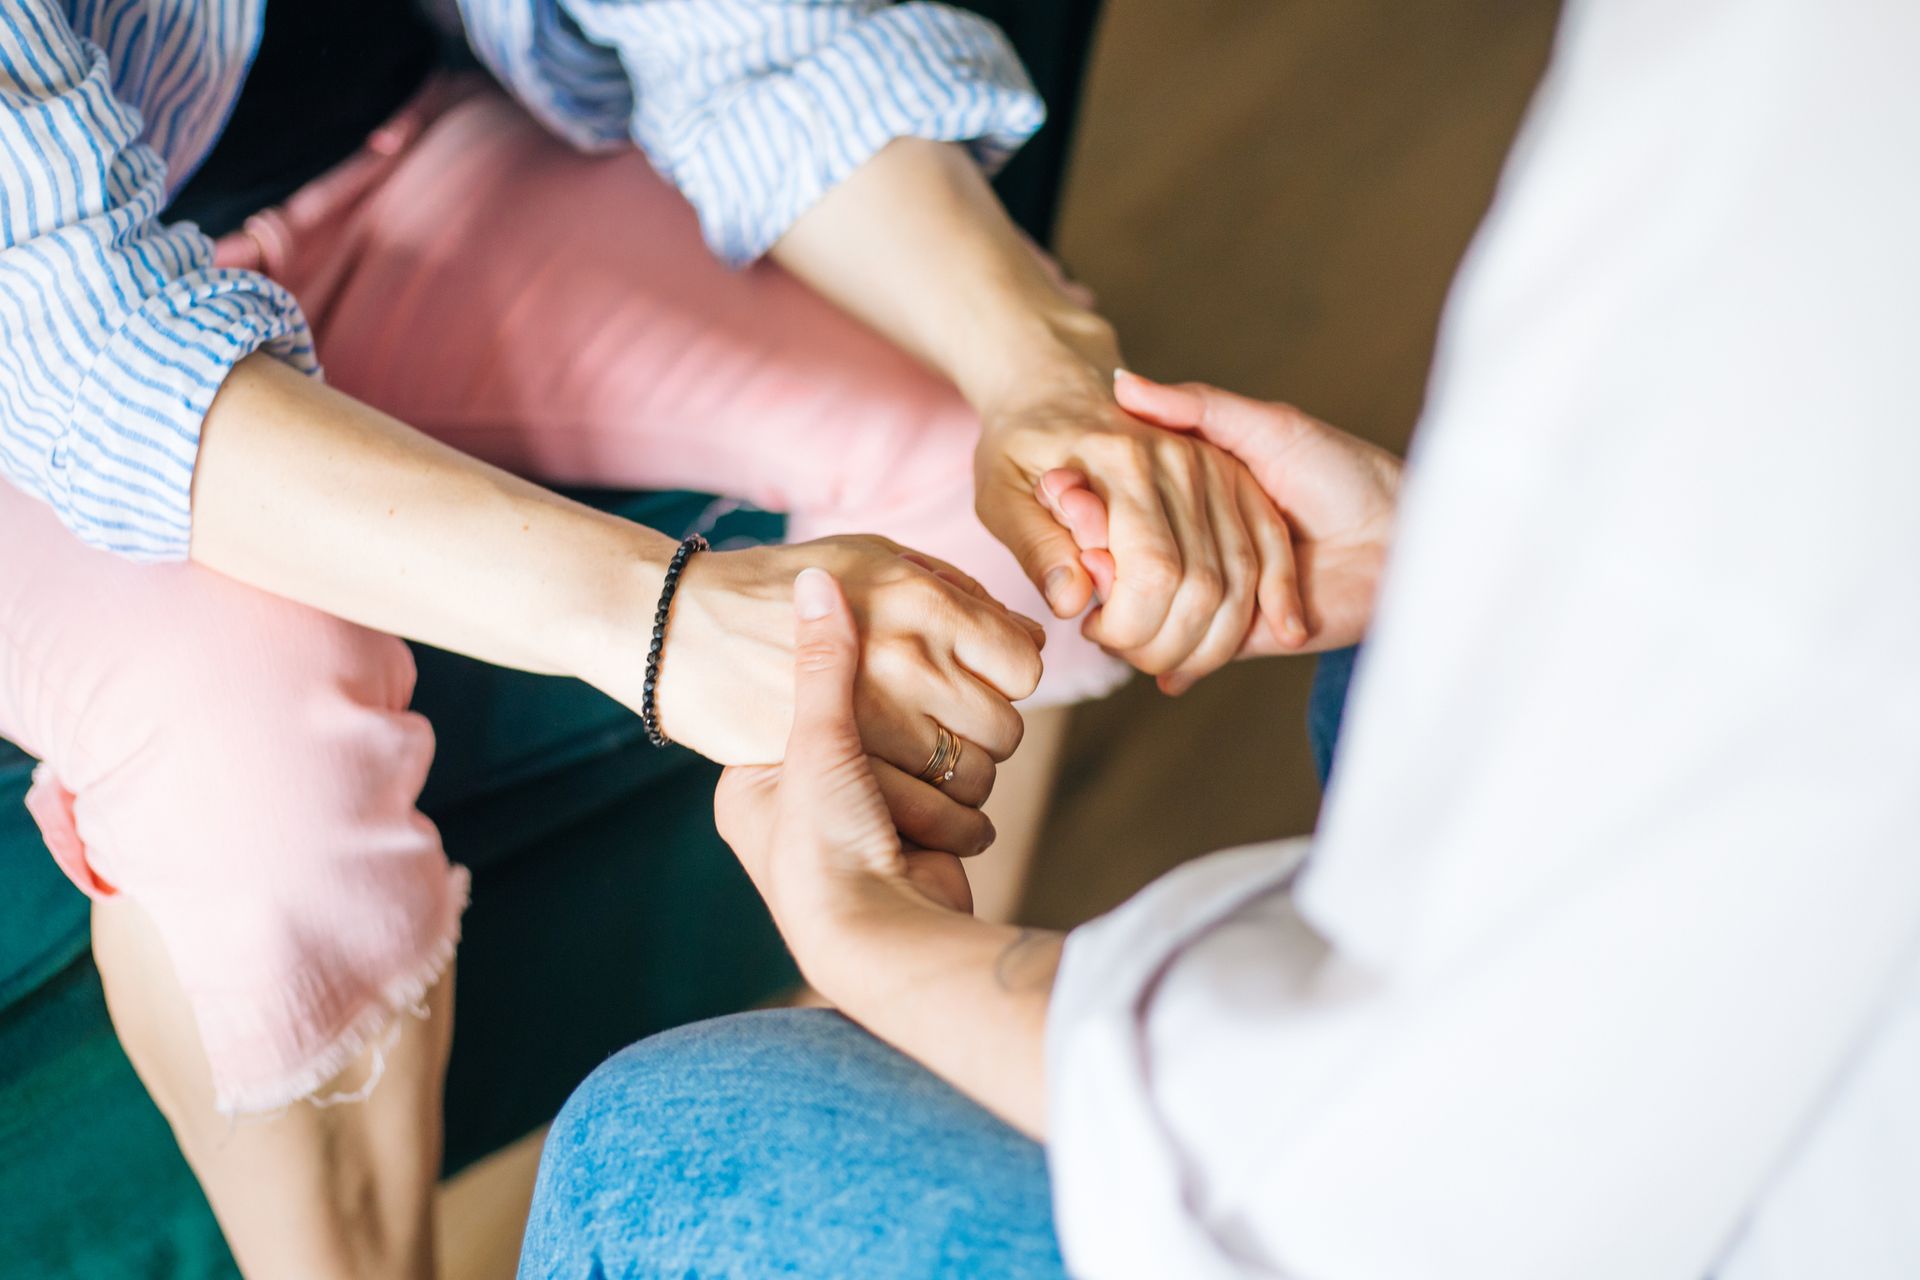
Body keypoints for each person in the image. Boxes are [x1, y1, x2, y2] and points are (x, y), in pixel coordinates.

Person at [517, 2, 1920, 1276]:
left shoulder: (1789, 150)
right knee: (1377, 690)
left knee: (659, 1148)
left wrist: (873, 942)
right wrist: (1440, 562)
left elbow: (1395, 1190)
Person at [0, 2, 1302, 1276]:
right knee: (254, 760)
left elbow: (746, 27)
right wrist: (657, 618)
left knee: (991, 498)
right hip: (35, 365)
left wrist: (1039, 367)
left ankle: (874, 1149)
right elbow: (85, 352)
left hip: (385, 159)